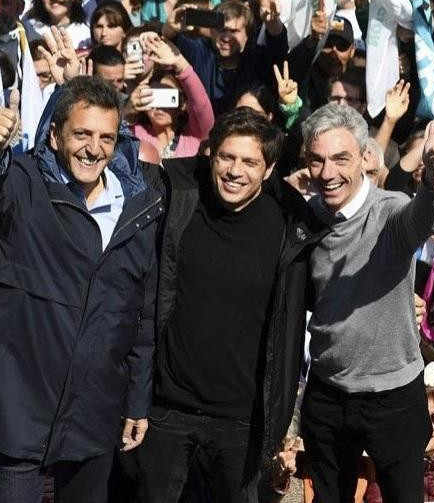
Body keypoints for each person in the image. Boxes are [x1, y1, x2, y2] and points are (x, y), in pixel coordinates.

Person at [0, 77, 163, 502]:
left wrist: (137, 399)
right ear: (55, 134)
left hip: (92, 411)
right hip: (17, 409)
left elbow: (139, 313)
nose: (93, 148)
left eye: (105, 137)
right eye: (82, 134)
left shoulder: (138, 207)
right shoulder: (24, 182)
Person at [131, 108, 325, 502]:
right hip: (168, 410)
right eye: (227, 157)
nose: (235, 170)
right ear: (210, 155)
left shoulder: (293, 226)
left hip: (243, 423)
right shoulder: (177, 195)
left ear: (268, 169)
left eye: (250, 162)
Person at [299, 103, 434, 502]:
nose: (328, 173)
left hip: (392, 396)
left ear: (366, 156)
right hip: (327, 391)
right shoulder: (307, 218)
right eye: (317, 161)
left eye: (340, 158)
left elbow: (420, 219)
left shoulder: (387, 212)